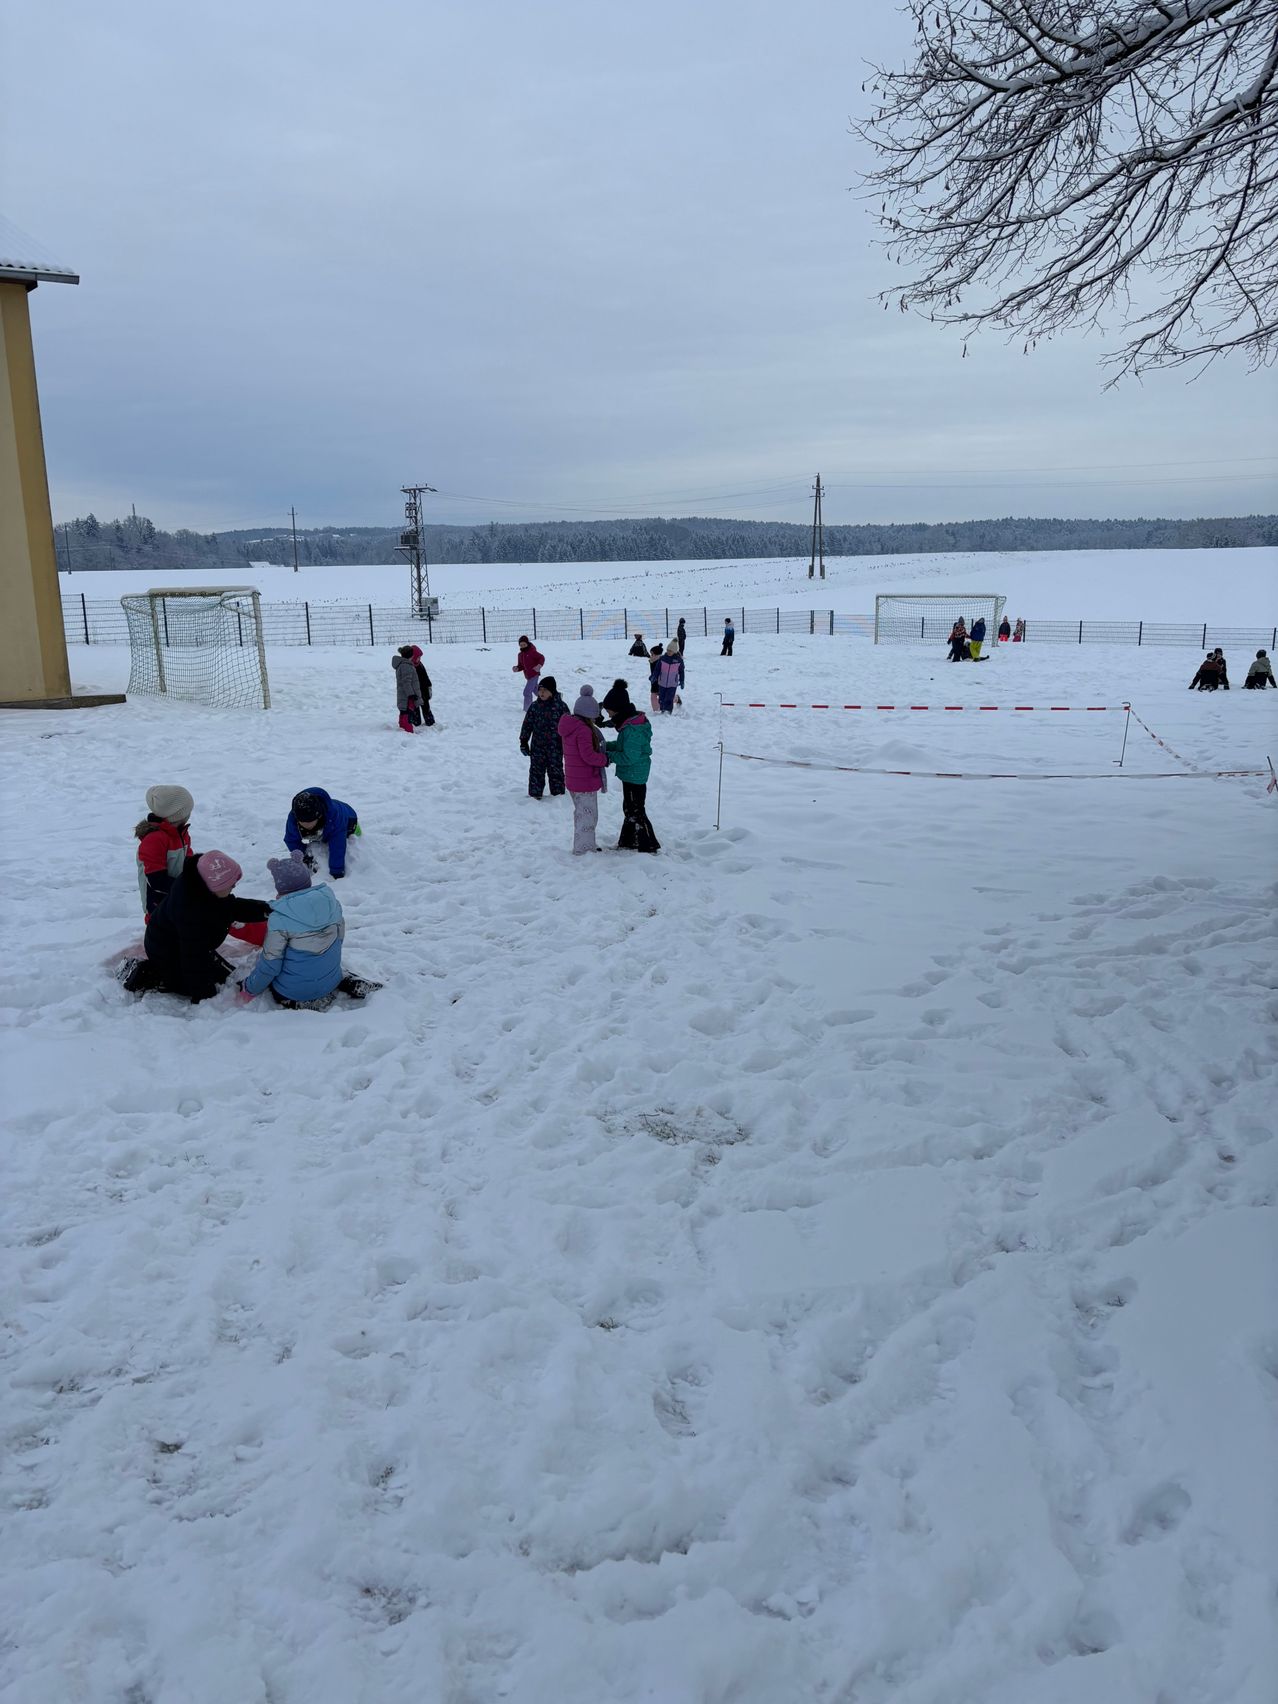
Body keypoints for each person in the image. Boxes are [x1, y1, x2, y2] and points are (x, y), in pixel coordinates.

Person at [123, 852, 270, 1003]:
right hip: (167, 952)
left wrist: (267, 909)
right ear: (214, 885)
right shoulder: (190, 913)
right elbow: (193, 956)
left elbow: (233, 907)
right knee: (188, 984)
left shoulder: (202, 887)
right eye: (230, 883)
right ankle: (154, 974)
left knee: (221, 975)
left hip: (188, 944)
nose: (234, 885)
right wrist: (205, 995)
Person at [134, 784, 266, 947]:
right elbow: (156, 880)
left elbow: (188, 860)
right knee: (210, 916)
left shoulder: (180, 832)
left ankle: (267, 934)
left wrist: (205, 875)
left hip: (181, 893)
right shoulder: (154, 840)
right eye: (188, 811)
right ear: (178, 815)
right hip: (160, 905)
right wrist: (191, 890)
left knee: (221, 909)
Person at [238, 852, 373, 1009]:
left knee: (278, 972)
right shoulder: (331, 903)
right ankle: (342, 980)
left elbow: (270, 965)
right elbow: (339, 940)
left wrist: (248, 988)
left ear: (279, 889)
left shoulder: (280, 918)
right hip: (330, 980)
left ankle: (305, 1000)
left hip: (293, 993)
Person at [603, 689, 660, 853]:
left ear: (618, 710)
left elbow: (629, 757)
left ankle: (649, 844)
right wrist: (606, 745)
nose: (609, 715)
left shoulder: (631, 730)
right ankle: (628, 841)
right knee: (629, 808)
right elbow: (623, 747)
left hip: (635, 775)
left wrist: (609, 756)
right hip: (631, 775)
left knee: (636, 810)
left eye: (610, 712)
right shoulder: (629, 725)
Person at [558, 686, 608, 853]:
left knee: (582, 814)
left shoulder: (570, 727)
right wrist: (605, 759)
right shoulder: (584, 731)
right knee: (588, 817)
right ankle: (584, 849)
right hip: (585, 780)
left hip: (574, 779)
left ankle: (585, 845)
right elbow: (588, 756)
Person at [285, 788, 359, 879]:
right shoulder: (293, 818)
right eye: (302, 822)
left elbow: (338, 846)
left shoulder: (335, 817)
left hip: (349, 818)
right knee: (310, 833)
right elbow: (291, 840)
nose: (306, 826)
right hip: (324, 820)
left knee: (349, 834)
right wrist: (303, 856)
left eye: (310, 822)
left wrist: (337, 872)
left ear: (318, 816)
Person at [519, 675, 569, 798]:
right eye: (540, 690)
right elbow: (527, 725)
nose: (541, 693)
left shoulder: (561, 707)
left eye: (544, 690)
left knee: (556, 771)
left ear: (552, 691)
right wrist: (524, 741)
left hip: (555, 747)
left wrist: (569, 743)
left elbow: (569, 728)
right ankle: (535, 794)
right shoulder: (535, 707)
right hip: (538, 747)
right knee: (536, 771)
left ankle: (558, 795)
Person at [513, 636, 546, 710]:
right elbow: (521, 666)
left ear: (527, 644)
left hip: (534, 674)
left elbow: (541, 657)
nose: (523, 646)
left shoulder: (532, 652)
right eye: (521, 645)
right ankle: (553, 697)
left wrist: (539, 665)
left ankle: (527, 709)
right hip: (528, 676)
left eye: (524, 644)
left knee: (527, 692)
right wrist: (517, 668)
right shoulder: (520, 655)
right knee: (537, 691)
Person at [393, 647, 421, 732]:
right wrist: (411, 694)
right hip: (407, 697)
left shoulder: (402, 664)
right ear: (411, 655)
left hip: (403, 695)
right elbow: (406, 682)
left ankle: (402, 729)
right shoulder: (406, 666)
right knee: (407, 714)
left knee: (403, 713)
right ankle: (407, 731)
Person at [409, 643, 435, 725]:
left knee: (426, 707)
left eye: (420, 657)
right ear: (413, 657)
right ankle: (416, 722)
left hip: (424, 692)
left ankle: (430, 721)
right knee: (415, 708)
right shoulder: (410, 667)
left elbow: (425, 676)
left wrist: (429, 686)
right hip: (415, 693)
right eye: (418, 657)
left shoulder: (420, 665)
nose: (419, 659)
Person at [656, 640, 684, 714]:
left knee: (669, 698)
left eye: (670, 651)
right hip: (662, 682)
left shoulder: (679, 660)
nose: (668, 652)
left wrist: (682, 681)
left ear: (674, 651)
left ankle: (668, 711)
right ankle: (662, 710)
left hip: (672, 683)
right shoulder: (662, 658)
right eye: (668, 650)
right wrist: (654, 677)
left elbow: (681, 671)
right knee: (661, 698)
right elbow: (657, 669)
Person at [648, 645, 664, 713]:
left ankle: (676, 698)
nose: (650, 656)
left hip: (661, 683)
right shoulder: (652, 661)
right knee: (653, 696)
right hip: (654, 682)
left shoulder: (662, 662)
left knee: (666, 698)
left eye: (652, 654)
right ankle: (656, 710)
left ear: (657, 655)